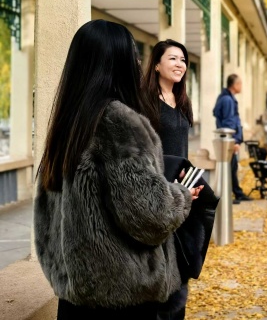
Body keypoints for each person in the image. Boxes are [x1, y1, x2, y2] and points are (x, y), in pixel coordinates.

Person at [34, 20, 200, 320]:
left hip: (75, 293)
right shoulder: (118, 122)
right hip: (122, 296)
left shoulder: (66, 124)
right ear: (117, 63)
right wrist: (182, 196)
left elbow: (45, 218)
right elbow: (151, 216)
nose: (139, 63)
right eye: (133, 55)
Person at [141, 40, 199, 320]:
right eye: (173, 58)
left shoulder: (182, 100)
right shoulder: (145, 103)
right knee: (158, 265)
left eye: (183, 60)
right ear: (156, 65)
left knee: (181, 264)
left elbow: (182, 150)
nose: (180, 64)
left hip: (184, 192)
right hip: (158, 194)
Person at [213, 74, 251, 203]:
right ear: (234, 85)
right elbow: (229, 122)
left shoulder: (225, 98)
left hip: (227, 139)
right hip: (229, 139)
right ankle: (227, 196)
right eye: (240, 83)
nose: (241, 86)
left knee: (232, 167)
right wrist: (234, 140)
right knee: (229, 168)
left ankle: (237, 193)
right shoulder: (228, 100)